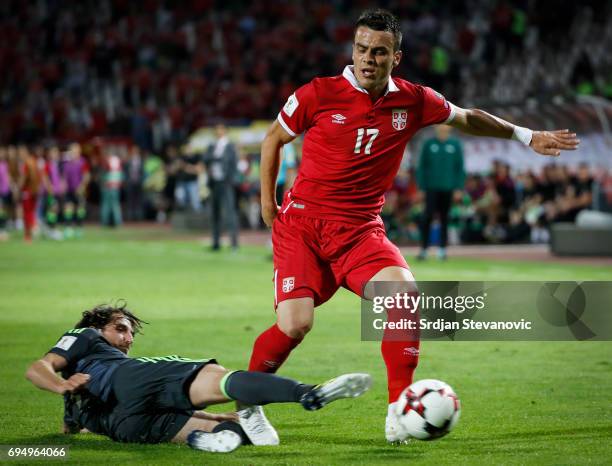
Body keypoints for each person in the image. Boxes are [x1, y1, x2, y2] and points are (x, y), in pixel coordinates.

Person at [247, 8, 579, 444]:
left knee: (404, 296)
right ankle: (247, 405)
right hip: (304, 226)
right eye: (362, 49)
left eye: (379, 52)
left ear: (395, 58)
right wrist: (268, 207)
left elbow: (466, 117)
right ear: (353, 50)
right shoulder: (318, 93)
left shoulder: (414, 99)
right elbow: (274, 138)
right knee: (296, 324)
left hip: (361, 229)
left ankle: (399, 410)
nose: (368, 58)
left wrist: (523, 135)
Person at [25, 303, 371, 453]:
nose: (128, 339)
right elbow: (37, 367)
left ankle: (211, 438)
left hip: (124, 427)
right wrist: (60, 383)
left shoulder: (76, 404)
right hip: (128, 381)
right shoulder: (85, 337)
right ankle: (307, 393)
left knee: (236, 432)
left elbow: (73, 430)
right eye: (121, 329)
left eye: (130, 333)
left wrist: (211, 416)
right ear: (97, 328)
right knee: (219, 379)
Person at [416, 124, 465, 260]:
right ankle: (424, 249)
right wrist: (421, 187)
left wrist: (458, 188)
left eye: (446, 126)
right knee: (427, 217)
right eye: (440, 125)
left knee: (445, 218)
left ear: (449, 128)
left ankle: (442, 250)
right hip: (431, 187)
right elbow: (422, 167)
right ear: (436, 127)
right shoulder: (428, 144)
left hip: (448, 188)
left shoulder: (455, 145)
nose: (443, 128)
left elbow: (459, 168)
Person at [203, 124, 239, 250]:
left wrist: (230, 180)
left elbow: (233, 164)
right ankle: (216, 242)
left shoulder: (230, 146)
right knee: (215, 213)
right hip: (214, 183)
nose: (219, 131)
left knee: (230, 212)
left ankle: (234, 243)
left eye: (221, 129)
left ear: (225, 131)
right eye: (217, 129)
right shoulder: (212, 146)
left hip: (226, 183)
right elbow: (205, 159)